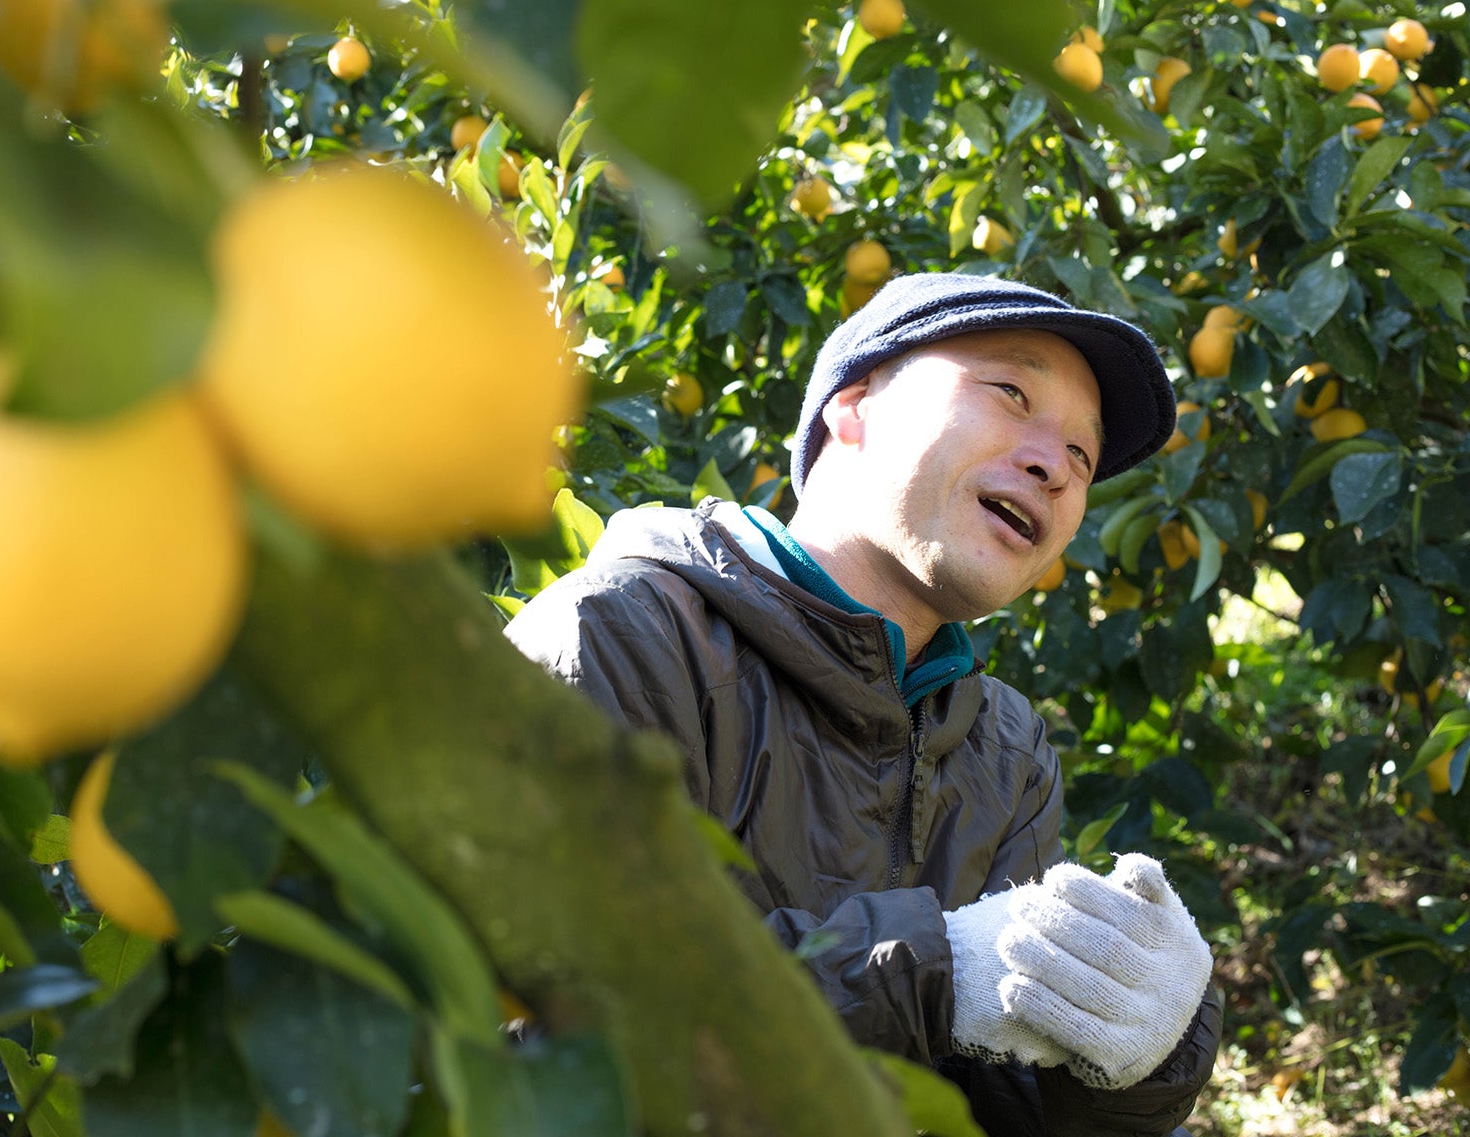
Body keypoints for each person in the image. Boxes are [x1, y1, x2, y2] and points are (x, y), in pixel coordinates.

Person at [504, 272, 1222, 1137]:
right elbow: (553, 1029)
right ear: (854, 408)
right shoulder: (621, 637)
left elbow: (1008, 1105)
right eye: (1010, 393)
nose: (1054, 466)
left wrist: (1139, 1055)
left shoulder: (1006, 749)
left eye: (1082, 455)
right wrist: (935, 971)